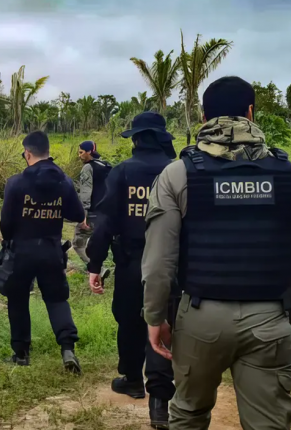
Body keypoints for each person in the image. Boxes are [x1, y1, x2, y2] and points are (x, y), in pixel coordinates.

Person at [142, 76, 291, 430]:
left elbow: (158, 264)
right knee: (269, 423)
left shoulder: (178, 174)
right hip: (269, 317)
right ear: (251, 113)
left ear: (202, 116)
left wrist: (155, 317)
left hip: (200, 319)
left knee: (188, 415)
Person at [86, 112, 177, 429]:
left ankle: (132, 379)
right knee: (164, 321)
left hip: (130, 260)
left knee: (128, 319)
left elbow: (105, 223)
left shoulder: (122, 171)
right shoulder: (177, 171)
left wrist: (94, 264)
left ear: (136, 138)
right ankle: (162, 397)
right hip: (172, 262)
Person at [0, 130, 86, 373]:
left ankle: (21, 354)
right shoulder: (64, 181)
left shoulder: (15, 183)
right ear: (48, 152)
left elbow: (6, 223)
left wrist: (10, 239)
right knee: (57, 300)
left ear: (27, 153)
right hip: (51, 251)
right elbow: (78, 215)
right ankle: (67, 349)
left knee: (17, 300)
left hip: (22, 251)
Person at [73, 141, 112, 268]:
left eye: (81, 152)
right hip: (105, 212)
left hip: (92, 212)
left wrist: (82, 215)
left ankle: (96, 268)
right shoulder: (106, 165)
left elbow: (86, 192)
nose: (79, 156)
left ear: (89, 152)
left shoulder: (88, 168)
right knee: (98, 242)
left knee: (78, 243)